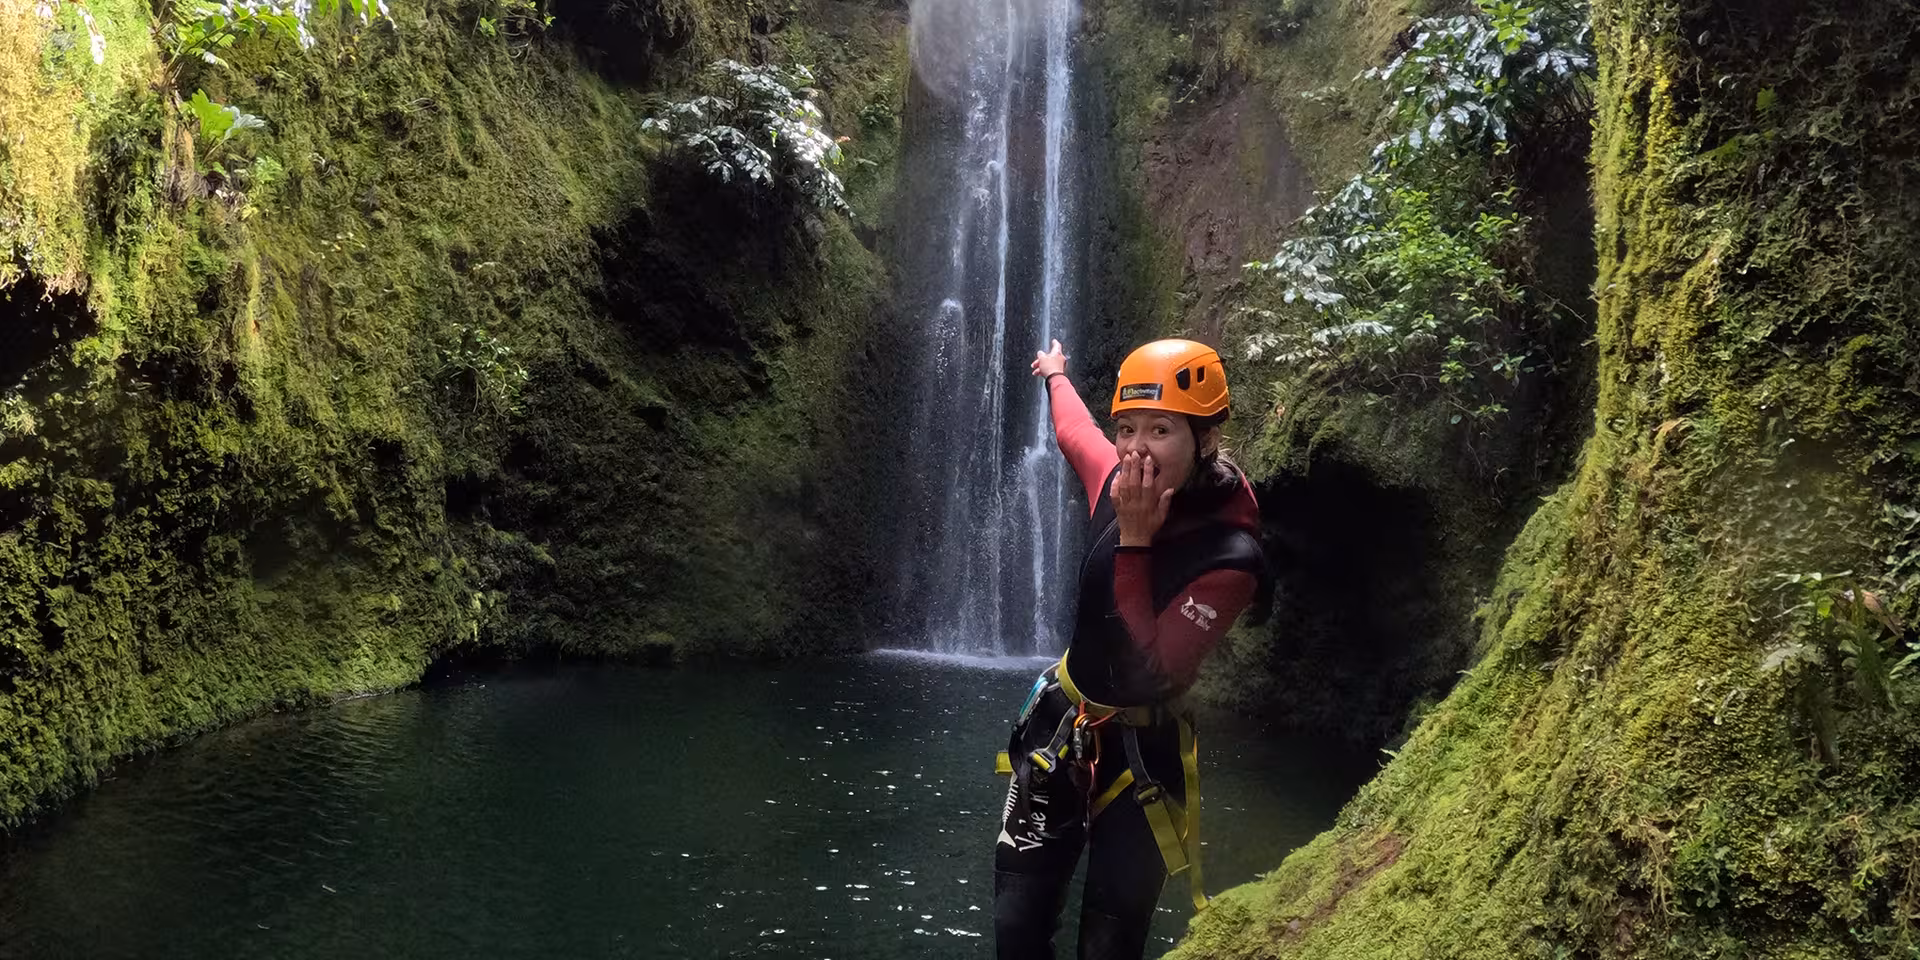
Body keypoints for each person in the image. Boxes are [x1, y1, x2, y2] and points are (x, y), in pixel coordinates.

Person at [994, 337, 1265, 959]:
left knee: (1110, 945)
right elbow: (1073, 432)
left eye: (1161, 429)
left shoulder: (1231, 557)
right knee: (1016, 927)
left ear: (1207, 438)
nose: (1136, 448)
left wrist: (1136, 540)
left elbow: (1149, 670)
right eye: (1127, 428)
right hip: (1063, 731)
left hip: (1144, 754)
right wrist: (1057, 374)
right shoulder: (1114, 477)